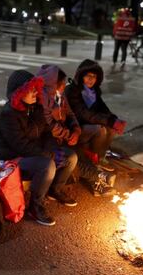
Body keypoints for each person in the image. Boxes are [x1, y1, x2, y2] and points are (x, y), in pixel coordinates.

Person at [0, 70, 78, 226]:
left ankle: (55, 189)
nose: (35, 93)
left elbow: (47, 133)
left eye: (35, 88)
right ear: (18, 93)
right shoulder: (8, 114)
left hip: (33, 152)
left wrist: (53, 150)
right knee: (47, 165)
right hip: (13, 158)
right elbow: (20, 145)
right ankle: (35, 205)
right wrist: (49, 155)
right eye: (30, 90)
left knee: (71, 156)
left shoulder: (35, 107)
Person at [37, 64, 116, 197]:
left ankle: (97, 178)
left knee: (80, 150)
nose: (64, 86)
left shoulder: (60, 97)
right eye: (61, 83)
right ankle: (97, 177)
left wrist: (76, 131)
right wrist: (68, 134)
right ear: (53, 84)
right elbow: (48, 126)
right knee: (72, 156)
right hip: (49, 142)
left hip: (63, 137)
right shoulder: (43, 101)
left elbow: (71, 115)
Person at [65, 59, 127, 169]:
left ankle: (100, 157)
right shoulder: (72, 90)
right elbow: (84, 114)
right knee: (100, 129)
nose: (91, 79)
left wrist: (115, 120)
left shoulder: (94, 92)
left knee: (111, 128)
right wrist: (110, 121)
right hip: (75, 127)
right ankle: (95, 162)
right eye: (87, 75)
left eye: (94, 76)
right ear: (81, 76)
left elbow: (103, 109)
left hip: (88, 124)